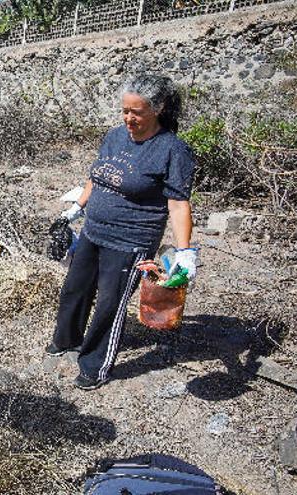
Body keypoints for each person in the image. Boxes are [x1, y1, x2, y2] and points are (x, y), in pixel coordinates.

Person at [46, 74, 198, 391]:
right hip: (94, 230)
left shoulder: (172, 150)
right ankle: (67, 340)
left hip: (131, 241)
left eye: (137, 112)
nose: (129, 118)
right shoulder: (115, 136)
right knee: (75, 289)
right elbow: (97, 177)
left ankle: (94, 366)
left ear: (158, 109)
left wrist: (184, 252)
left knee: (109, 307)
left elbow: (178, 204)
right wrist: (75, 210)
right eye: (125, 111)